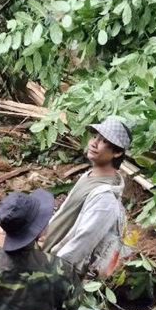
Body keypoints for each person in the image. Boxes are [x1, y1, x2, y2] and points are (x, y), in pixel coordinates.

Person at [42, 116, 132, 279]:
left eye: (104, 141)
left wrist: (51, 273)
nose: (94, 143)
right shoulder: (88, 176)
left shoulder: (105, 198)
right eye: (95, 137)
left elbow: (81, 243)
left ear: (117, 152)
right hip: (45, 257)